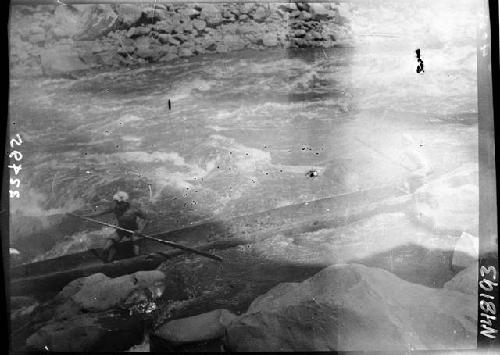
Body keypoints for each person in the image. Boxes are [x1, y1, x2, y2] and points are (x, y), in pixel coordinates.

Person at [85, 191, 147, 262]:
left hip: (133, 231)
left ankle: (138, 261)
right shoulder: (115, 208)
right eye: (116, 203)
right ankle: (107, 262)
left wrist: (140, 230)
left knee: (136, 252)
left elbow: (147, 219)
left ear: (125, 202)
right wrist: (87, 216)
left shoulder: (134, 210)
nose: (117, 205)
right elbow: (100, 213)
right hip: (120, 231)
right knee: (106, 247)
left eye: (118, 203)